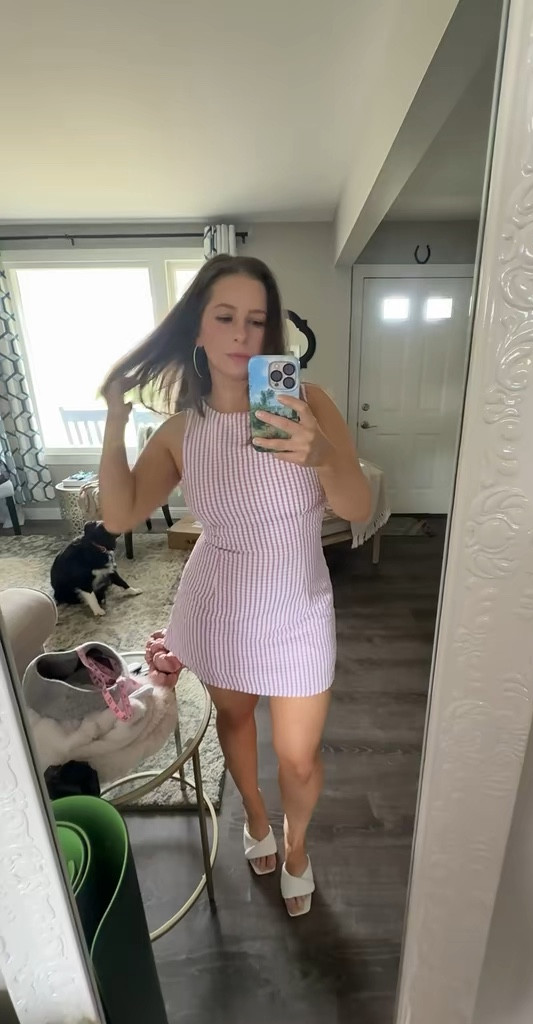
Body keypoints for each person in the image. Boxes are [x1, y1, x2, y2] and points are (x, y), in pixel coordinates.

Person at [99, 254, 371, 916]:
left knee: (299, 757)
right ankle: (253, 814)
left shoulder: (309, 404)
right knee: (236, 718)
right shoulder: (180, 432)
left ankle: (297, 845)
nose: (242, 333)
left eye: (257, 319)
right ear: (198, 327)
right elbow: (120, 515)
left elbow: (358, 507)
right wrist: (114, 419)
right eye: (224, 317)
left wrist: (323, 455)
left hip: (300, 608)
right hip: (221, 604)